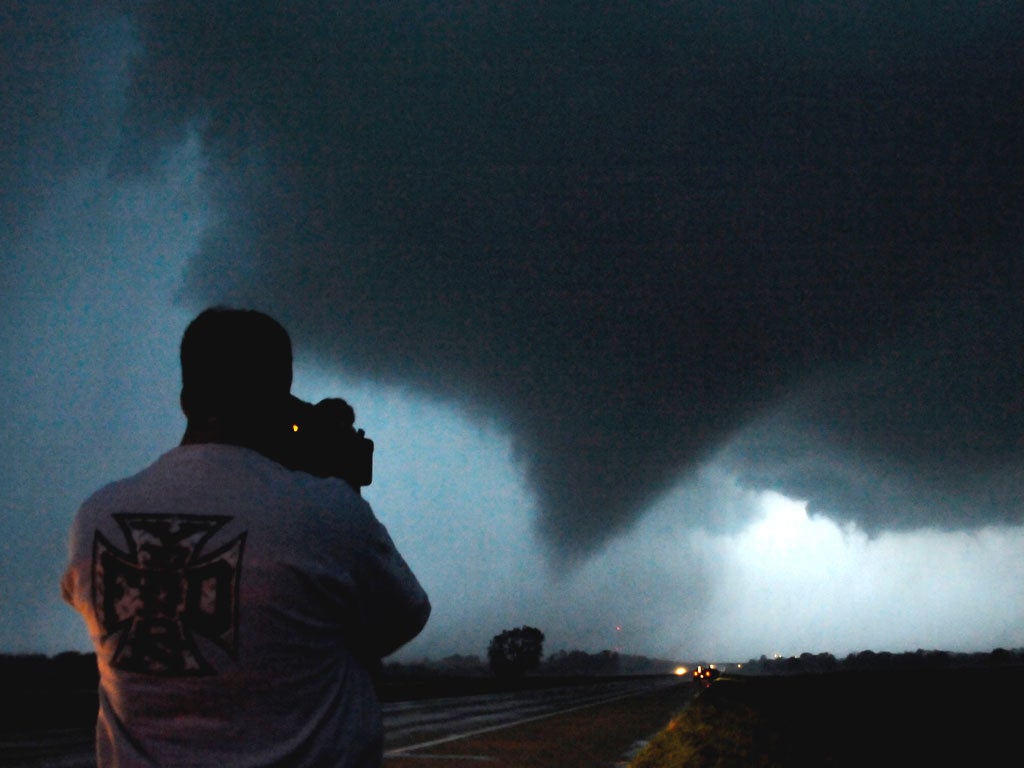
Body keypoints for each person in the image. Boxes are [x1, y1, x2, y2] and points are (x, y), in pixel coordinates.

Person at [61, 307, 431, 767]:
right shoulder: (328, 513)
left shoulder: (95, 518)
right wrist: (341, 489)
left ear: (186, 397)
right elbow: (400, 619)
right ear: (281, 397)